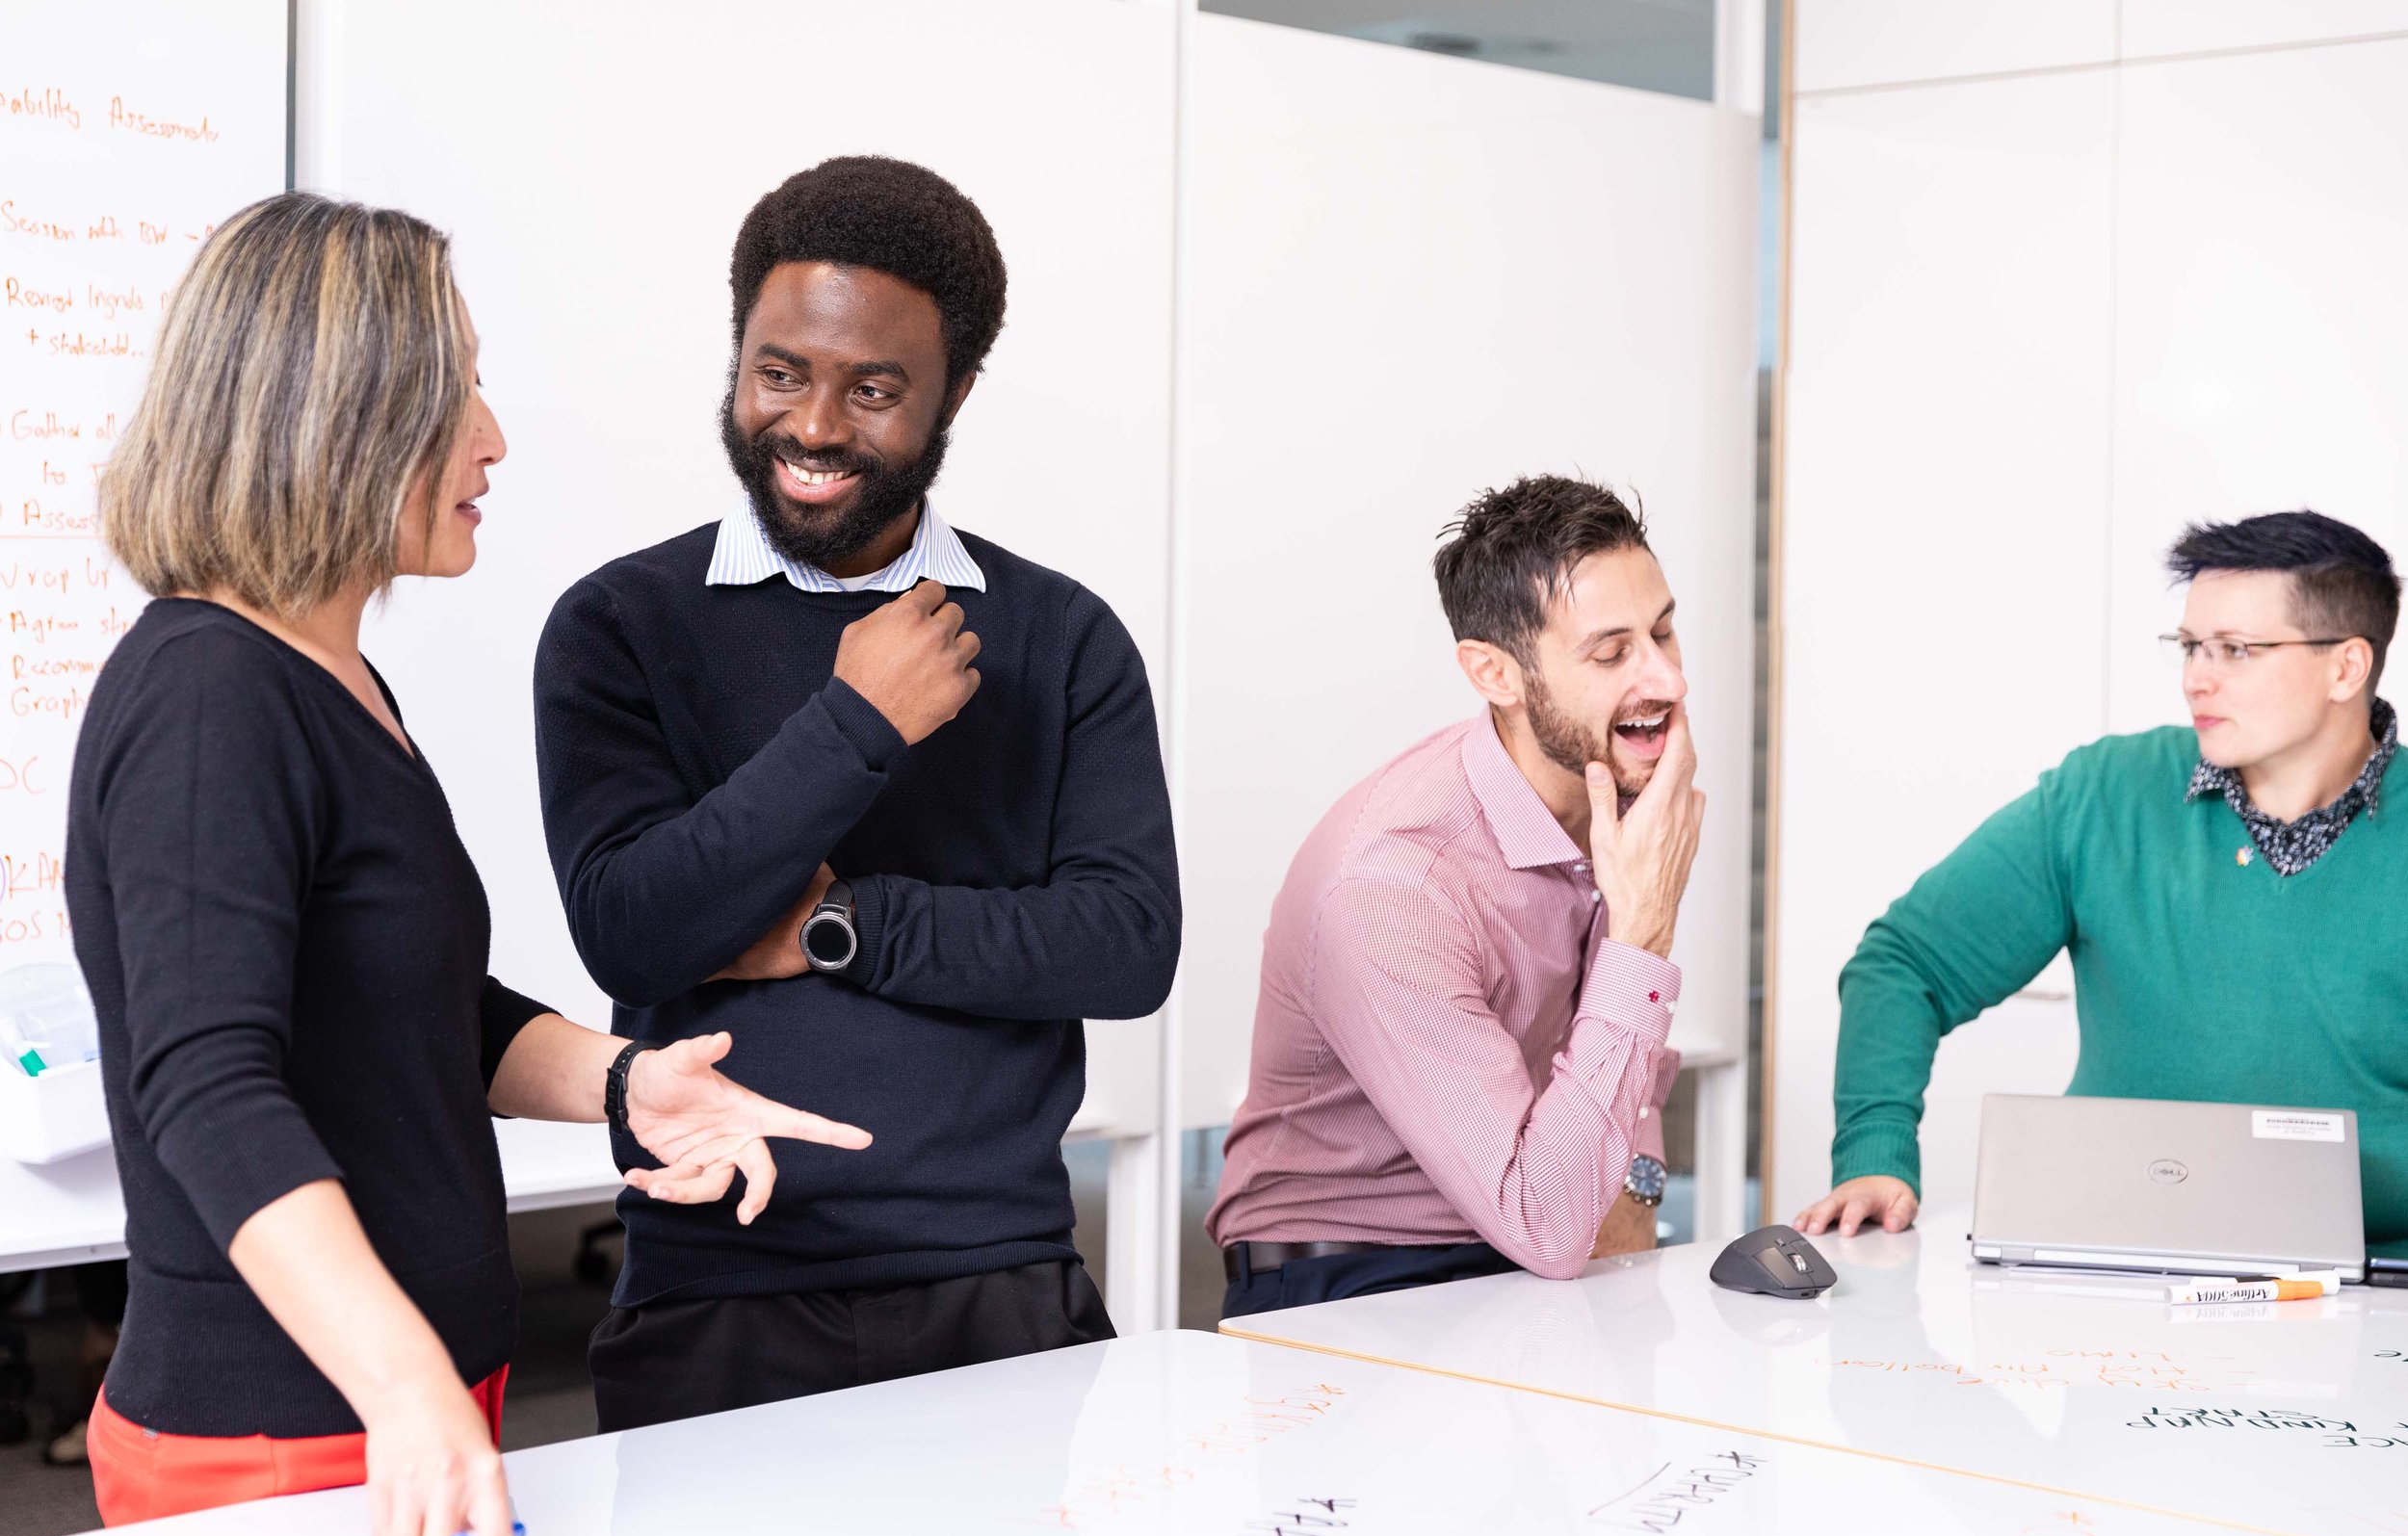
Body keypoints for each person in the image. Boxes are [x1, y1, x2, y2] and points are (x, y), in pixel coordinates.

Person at [71, 193, 869, 1536]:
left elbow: (431, 1009)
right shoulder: (209, 696)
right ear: (337, 415)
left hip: (396, 1402)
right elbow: (206, 1081)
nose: (492, 438)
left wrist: (632, 1082)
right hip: (284, 1428)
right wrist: (402, 1382)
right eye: (458, 393)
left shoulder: (334, 683)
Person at [534, 156, 1180, 1431]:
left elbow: (1123, 945)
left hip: (997, 1281)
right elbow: (631, 925)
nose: (815, 427)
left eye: (873, 389)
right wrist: (855, 726)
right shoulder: (621, 624)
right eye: (780, 372)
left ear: (956, 394)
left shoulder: (1061, 635)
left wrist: (847, 926)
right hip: (714, 1288)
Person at [1793, 511, 2407, 1256]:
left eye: (2237, 650)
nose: (2195, 678)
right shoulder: (2105, 795)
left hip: (2380, 1290)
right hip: (2113, 1273)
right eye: (2189, 647)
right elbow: (1904, 963)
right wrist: (1873, 1155)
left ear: (2346, 667)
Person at [1206, 475, 1705, 1318]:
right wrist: (1644, 932)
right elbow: (1544, 1224)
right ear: (1494, 672)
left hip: (1527, 1246)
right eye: (1611, 651)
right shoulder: (1396, 884)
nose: (1666, 679)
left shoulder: (1616, 790)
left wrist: (1634, 1213)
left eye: (1662, 631)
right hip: (1351, 1283)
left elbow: (1609, 1080)